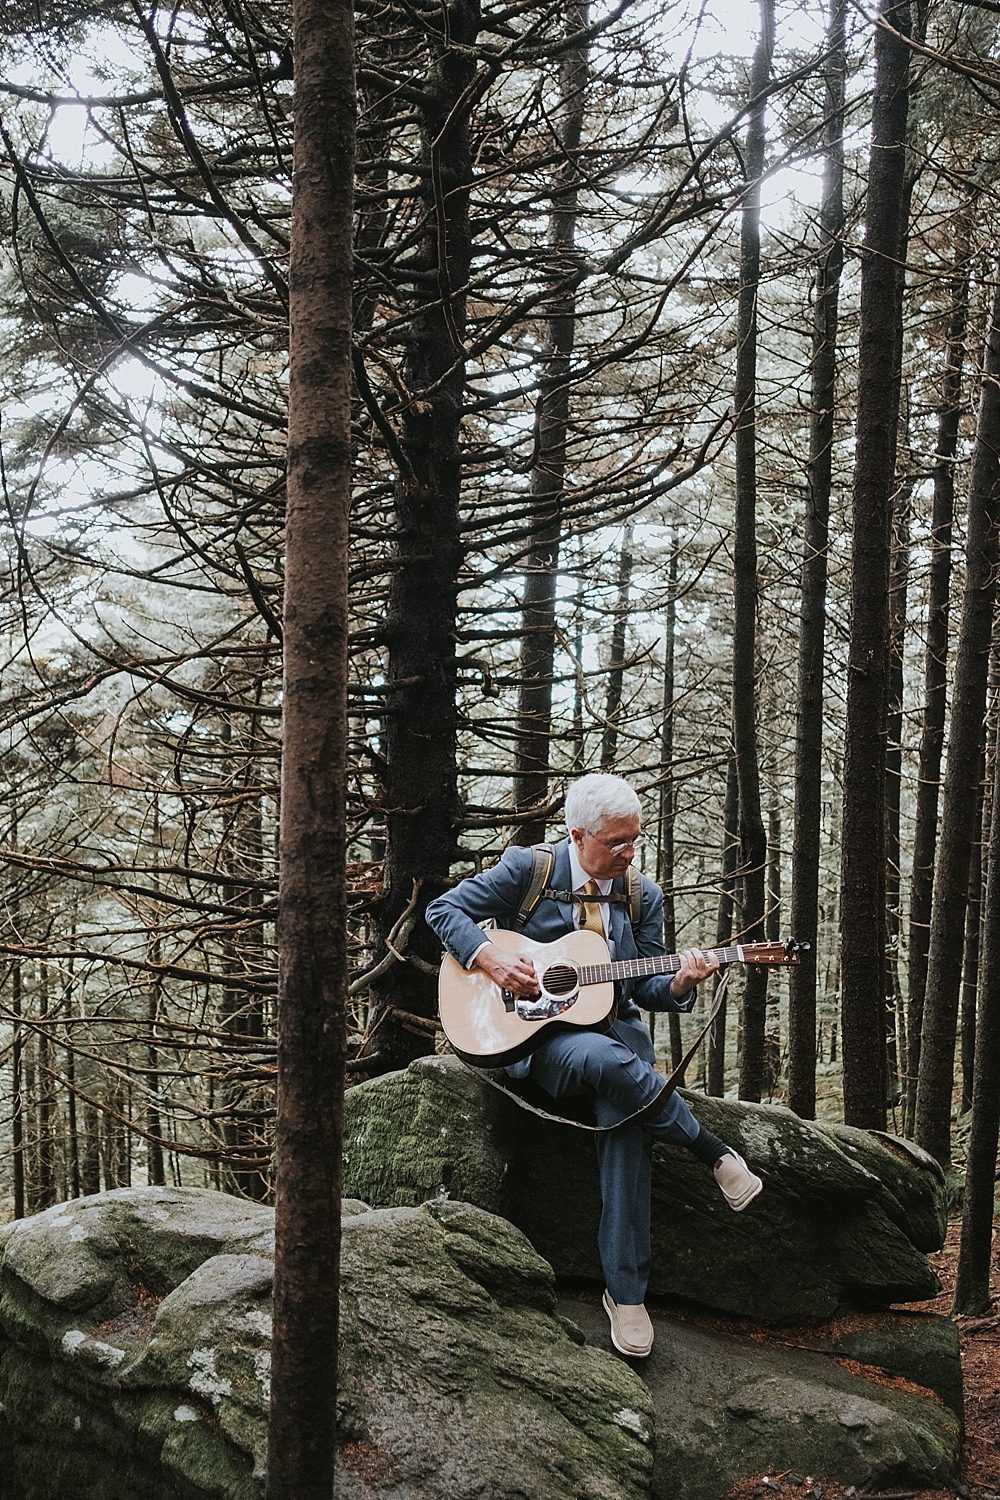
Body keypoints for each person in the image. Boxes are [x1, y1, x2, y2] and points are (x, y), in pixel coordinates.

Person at [425, 771, 762, 1359]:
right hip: (541, 1042)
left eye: (636, 840)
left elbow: (649, 986)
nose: (628, 854)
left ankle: (626, 1296)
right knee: (608, 1061)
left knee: (626, 1113)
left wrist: (681, 979)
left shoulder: (641, 894)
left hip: (615, 1040)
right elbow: (442, 910)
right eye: (616, 843)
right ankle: (712, 1151)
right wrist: (493, 959)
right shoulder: (530, 871)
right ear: (578, 835)